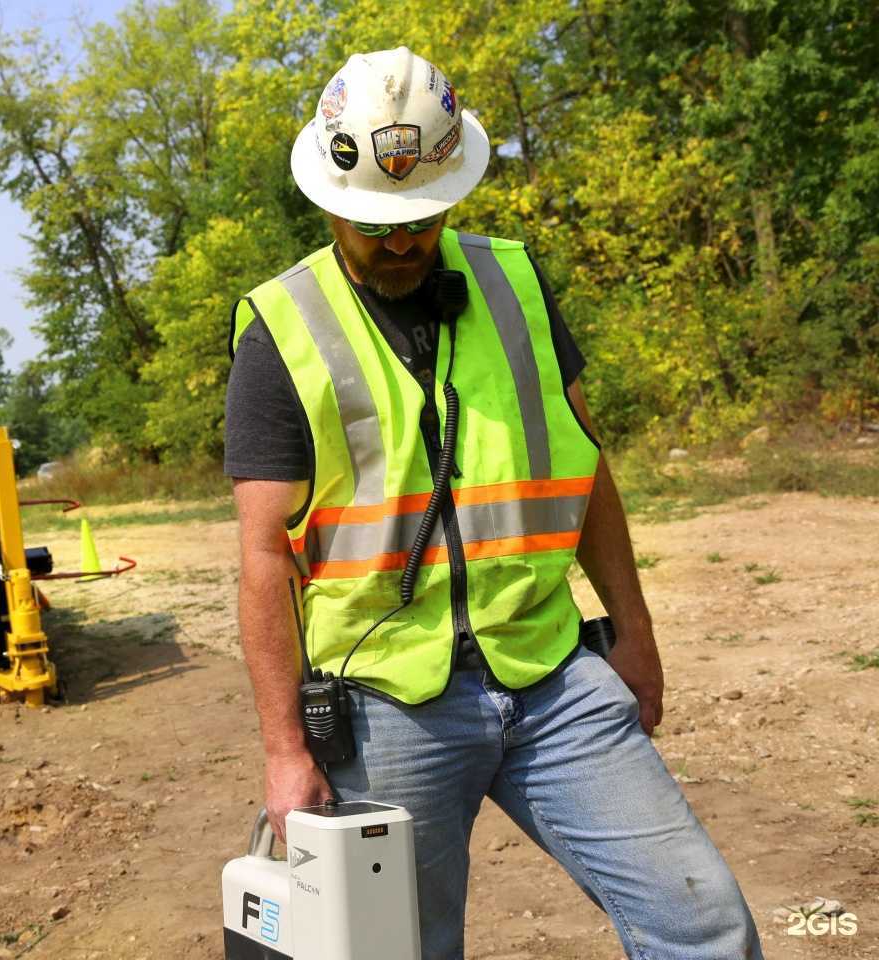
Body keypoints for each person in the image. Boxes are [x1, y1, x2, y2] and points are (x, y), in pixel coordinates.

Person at [225, 47, 763, 958]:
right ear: (328, 200)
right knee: (399, 951)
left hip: (550, 673)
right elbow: (263, 559)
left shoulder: (513, 282)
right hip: (386, 704)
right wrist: (286, 748)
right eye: (375, 224)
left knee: (701, 920)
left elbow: (584, 470)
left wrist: (634, 630)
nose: (400, 240)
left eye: (422, 218)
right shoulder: (283, 329)